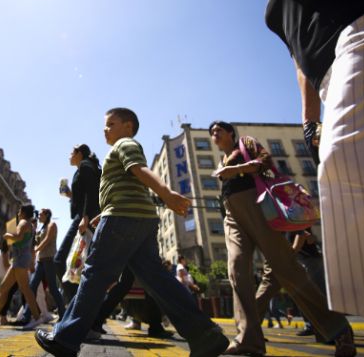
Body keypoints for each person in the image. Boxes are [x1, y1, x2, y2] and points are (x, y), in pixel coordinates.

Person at [232, 0, 364, 319]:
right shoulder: (274, 10)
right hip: (331, 78)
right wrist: (310, 122)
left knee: (344, 161)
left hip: (362, 34)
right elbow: (301, 62)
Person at [35, 108, 228, 357]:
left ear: (128, 126)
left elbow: (140, 170)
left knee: (95, 274)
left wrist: (166, 193)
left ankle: (66, 337)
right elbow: (126, 187)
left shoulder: (124, 144)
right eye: (105, 126)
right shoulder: (120, 150)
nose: (105, 129)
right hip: (141, 221)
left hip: (122, 218)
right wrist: (99, 215)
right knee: (156, 279)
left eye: (111, 124)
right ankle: (205, 336)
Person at [209, 121, 355, 357]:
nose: (214, 134)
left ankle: (339, 330)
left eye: (218, 130)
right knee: (236, 269)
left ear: (230, 133)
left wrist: (236, 170)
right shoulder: (221, 160)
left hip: (257, 208)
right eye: (212, 132)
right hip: (232, 215)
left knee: (287, 270)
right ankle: (248, 340)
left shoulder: (245, 143)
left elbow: (266, 162)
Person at [0, 205, 47, 329]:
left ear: (23, 212)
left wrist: (7, 235)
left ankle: (38, 318)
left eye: (19, 211)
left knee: (25, 289)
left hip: (20, 259)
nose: (18, 212)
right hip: (19, 259)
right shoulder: (31, 225)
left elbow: (18, 237)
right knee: (3, 289)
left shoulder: (23, 222)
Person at [54, 144, 101, 304]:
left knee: (61, 261)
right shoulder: (84, 167)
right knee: (78, 264)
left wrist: (86, 216)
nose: (69, 156)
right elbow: (83, 195)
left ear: (79, 153)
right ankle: (79, 306)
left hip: (84, 218)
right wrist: (70, 194)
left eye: (71, 152)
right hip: (84, 216)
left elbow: (91, 192)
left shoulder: (86, 165)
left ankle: (76, 305)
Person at [19, 208, 65, 323]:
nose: (38, 216)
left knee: (53, 289)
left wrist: (36, 251)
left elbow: (47, 240)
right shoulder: (41, 227)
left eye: (40, 214)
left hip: (49, 260)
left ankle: (63, 314)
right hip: (40, 261)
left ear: (47, 215)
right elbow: (37, 242)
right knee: (32, 287)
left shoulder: (52, 224)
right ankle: (27, 316)